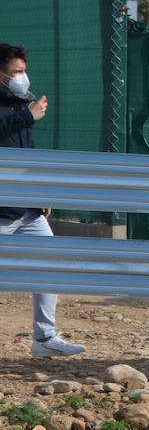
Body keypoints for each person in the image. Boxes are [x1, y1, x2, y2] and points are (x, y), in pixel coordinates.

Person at [0, 43, 84, 357]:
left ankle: (45, 338)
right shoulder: (21, 110)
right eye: (17, 72)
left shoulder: (21, 103)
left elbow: (28, 155)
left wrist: (40, 191)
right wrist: (26, 116)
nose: (24, 77)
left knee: (50, 263)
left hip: (26, 209)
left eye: (24, 70)